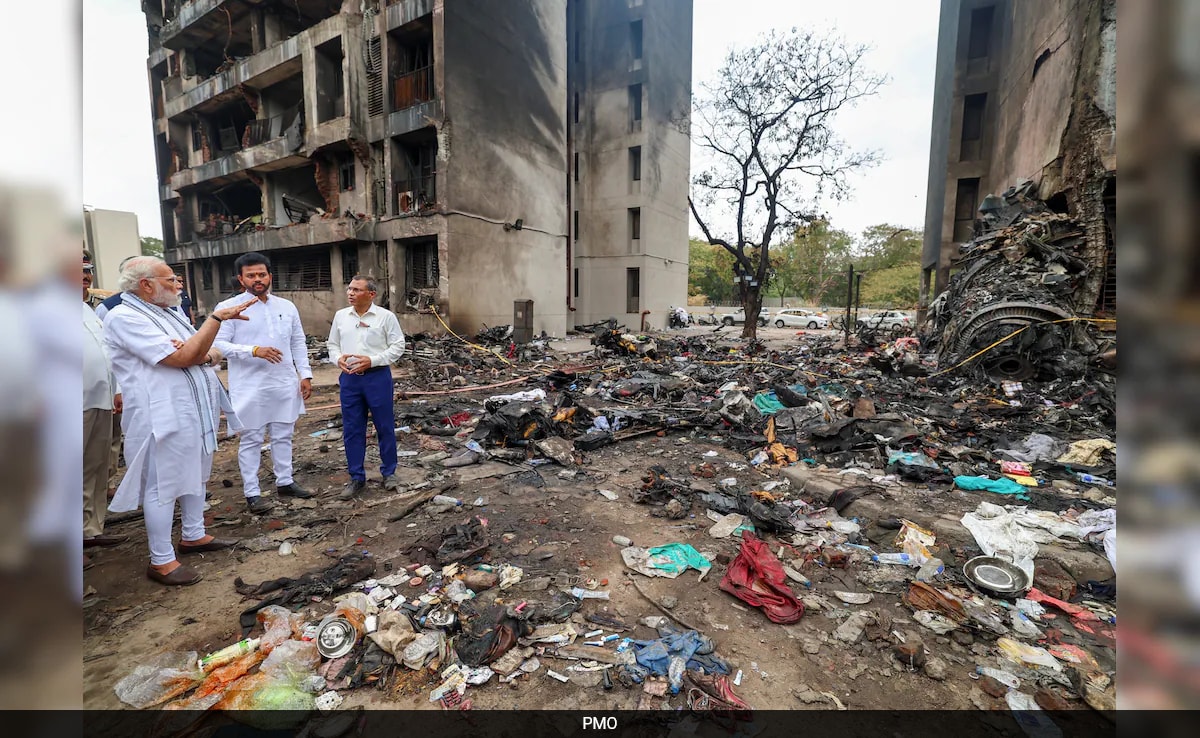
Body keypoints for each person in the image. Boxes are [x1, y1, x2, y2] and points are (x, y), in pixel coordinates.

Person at [104, 256, 257, 586]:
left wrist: (198, 350)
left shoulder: (168, 313)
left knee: (195, 474)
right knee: (162, 486)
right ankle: (160, 561)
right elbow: (186, 356)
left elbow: (207, 352)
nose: (178, 285)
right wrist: (214, 320)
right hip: (159, 415)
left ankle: (193, 534)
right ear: (146, 285)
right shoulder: (124, 317)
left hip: (191, 410)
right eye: (171, 280)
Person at [214, 252, 314, 514]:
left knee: (283, 434)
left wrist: (304, 374)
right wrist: (253, 350)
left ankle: (285, 481)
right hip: (249, 386)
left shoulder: (286, 306)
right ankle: (252, 492)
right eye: (251, 275)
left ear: (270, 275)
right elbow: (218, 345)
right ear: (241, 278)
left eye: (261, 274)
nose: (257, 279)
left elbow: (297, 341)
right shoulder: (229, 308)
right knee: (252, 438)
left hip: (283, 382)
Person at [327, 276, 406, 500]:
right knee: (352, 428)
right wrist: (337, 359)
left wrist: (373, 360)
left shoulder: (385, 317)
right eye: (349, 289)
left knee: (384, 426)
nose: (350, 293)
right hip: (350, 379)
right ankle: (356, 477)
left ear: (371, 294)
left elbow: (398, 345)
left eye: (356, 290)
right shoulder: (341, 316)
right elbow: (332, 344)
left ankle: (389, 473)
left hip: (377, 377)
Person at [82, 255, 127, 561]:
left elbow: (106, 354)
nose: (85, 275)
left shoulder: (86, 310)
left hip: (99, 399)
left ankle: (90, 530)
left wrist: (118, 389)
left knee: (95, 468)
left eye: (88, 270)